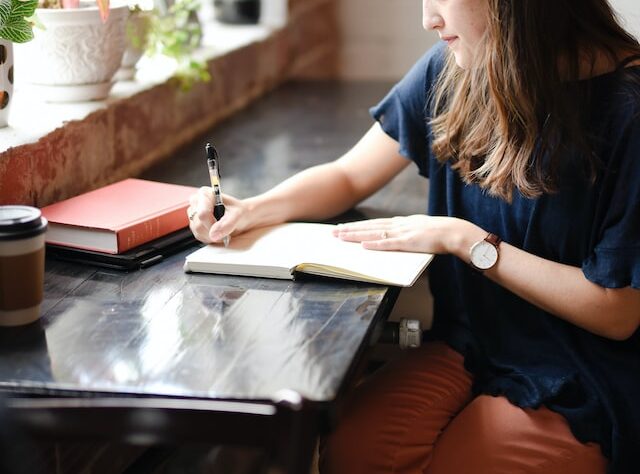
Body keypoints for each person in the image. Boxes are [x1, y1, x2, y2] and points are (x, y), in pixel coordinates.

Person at [188, 0, 640, 472]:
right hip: (471, 344)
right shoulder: (456, 66)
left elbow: (617, 313)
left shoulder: (628, 110)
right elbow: (348, 175)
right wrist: (251, 209)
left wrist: (466, 241)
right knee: (352, 452)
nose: (428, 18)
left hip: (587, 373)